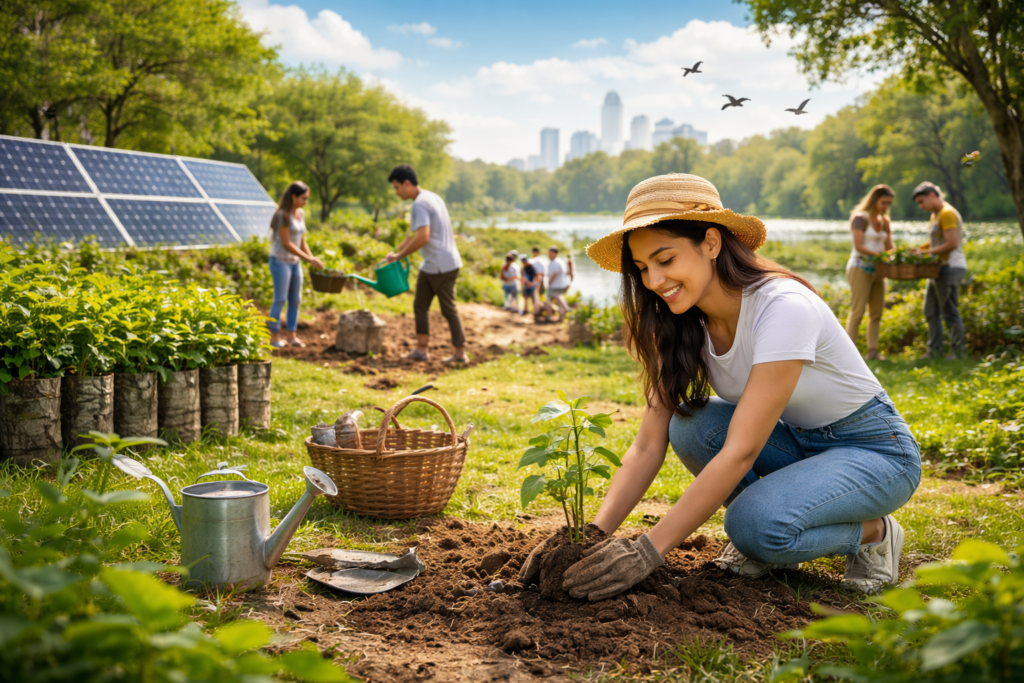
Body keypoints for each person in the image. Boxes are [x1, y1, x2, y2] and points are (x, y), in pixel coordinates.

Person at [519, 174, 921, 602]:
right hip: (798, 442)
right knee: (690, 423)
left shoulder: (782, 308)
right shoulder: (679, 322)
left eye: (665, 259)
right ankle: (771, 529)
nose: (654, 281)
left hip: (876, 452)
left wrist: (647, 552)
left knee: (752, 526)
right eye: (642, 268)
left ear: (711, 243)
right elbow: (646, 447)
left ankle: (874, 533)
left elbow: (741, 451)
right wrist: (587, 537)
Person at [385, 164, 468, 363]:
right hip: (433, 263)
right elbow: (412, 233)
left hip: (441, 264)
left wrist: (400, 256)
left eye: (397, 187)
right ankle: (421, 350)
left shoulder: (420, 204)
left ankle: (459, 354)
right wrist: (397, 252)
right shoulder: (431, 197)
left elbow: (423, 237)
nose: (396, 192)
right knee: (420, 305)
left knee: (448, 308)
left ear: (407, 183)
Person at [912, 182, 967, 359]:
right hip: (937, 269)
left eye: (922, 201)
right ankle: (934, 351)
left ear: (932, 195)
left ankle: (957, 353)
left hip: (950, 267)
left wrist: (926, 253)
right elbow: (936, 242)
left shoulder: (948, 213)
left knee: (950, 312)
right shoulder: (935, 215)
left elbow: (952, 244)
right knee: (930, 310)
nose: (921, 206)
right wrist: (919, 250)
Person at [267, 181, 323, 348]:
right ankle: (274, 336)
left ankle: (292, 335)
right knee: (280, 299)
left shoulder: (300, 214)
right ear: (294, 196)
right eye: (303, 198)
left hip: (294, 262)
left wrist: (311, 257)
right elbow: (287, 243)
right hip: (280, 260)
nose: (306, 201)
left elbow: (301, 240)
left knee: (295, 299)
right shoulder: (282, 216)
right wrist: (307, 258)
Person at [845, 185, 895, 360]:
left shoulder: (884, 221)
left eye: (888, 203)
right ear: (874, 200)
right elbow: (859, 246)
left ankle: (872, 352)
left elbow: (890, 247)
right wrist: (879, 255)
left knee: (876, 313)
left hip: (879, 271)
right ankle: (848, 354)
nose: (885, 206)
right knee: (857, 311)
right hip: (860, 267)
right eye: (883, 202)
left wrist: (901, 255)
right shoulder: (860, 218)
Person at [543, 246, 571, 323]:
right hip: (562, 284)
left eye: (549, 253)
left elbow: (554, 274)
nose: (548, 255)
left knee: (548, 299)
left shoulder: (553, 263)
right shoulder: (560, 261)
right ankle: (562, 316)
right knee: (559, 298)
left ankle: (549, 315)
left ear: (554, 253)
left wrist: (549, 283)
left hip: (555, 285)